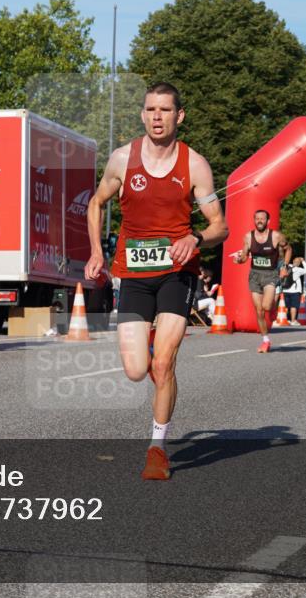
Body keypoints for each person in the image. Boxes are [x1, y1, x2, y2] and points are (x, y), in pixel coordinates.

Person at [85, 82, 227, 481]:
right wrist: (97, 252)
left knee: (163, 363)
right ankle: (152, 356)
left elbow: (220, 226)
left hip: (175, 274)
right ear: (143, 114)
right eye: (150, 110)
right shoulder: (121, 159)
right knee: (135, 370)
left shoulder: (194, 165)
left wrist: (195, 238)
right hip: (133, 273)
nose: (157, 117)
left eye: (165, 110)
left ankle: (157, 448)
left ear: (179, 115)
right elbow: (96, 203)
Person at [233, 210, 291, 351]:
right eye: (257, 218)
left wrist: (284, 266)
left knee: (266, 307)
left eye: (262, 219)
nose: (259, 221)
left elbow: (288, 249)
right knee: (259, 311)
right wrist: (239, 260)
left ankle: (273, 305)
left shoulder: (276, 236)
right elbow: (245, 256)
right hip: (254, 275)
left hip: (270, 274)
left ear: (268, 221)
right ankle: (265, 340)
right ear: (254, 220)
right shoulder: (248, 237)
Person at [283, 257, 306, 326]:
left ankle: (284, 319)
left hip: (285, 289)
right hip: (295, 291)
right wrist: (303, 261)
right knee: (293, 306)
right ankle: (293, 320)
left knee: (286, 306)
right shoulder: (299, 269)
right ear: (299, 263)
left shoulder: (287, 267)